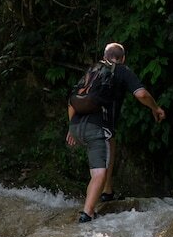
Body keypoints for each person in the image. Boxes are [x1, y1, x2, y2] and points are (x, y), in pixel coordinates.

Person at [66, 42, 166, 223]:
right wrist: (155, 108)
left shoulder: (93, 70)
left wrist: (71, 128)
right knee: (98, 172)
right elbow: (141, 94)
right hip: (97, 128)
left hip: (78, 125)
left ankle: (107, 192)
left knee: (110, 142)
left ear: (105, 56)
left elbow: (72, 100)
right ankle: (87, 214)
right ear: (123, 58)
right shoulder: (122, 70)